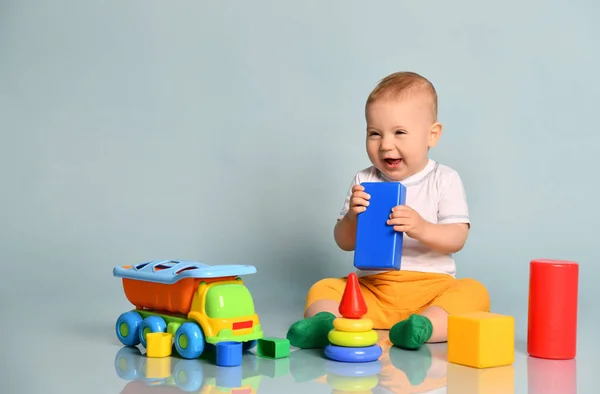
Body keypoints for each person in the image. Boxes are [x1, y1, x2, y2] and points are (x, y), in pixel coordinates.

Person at [286, 71, 490, 350]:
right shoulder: (364, 180)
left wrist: (421, 228)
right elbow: (344, 242)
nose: (385, 145)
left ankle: (422, 327)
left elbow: (457, 238)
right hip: (373, 291)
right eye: (374, 133)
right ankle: (329, 325)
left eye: (400, 133)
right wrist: (352, 218)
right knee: (323, 288)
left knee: (474, 293)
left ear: (432, 135)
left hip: (432, 290)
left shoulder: (445, 178)